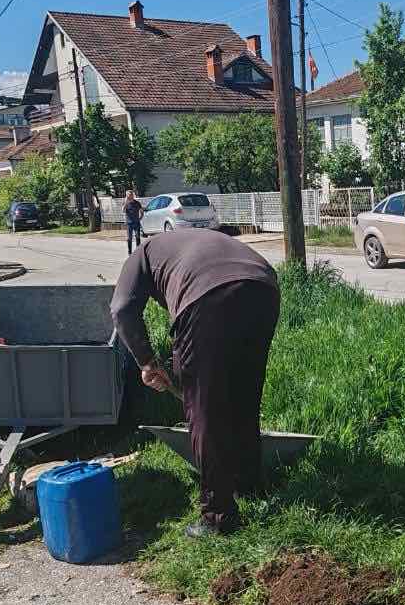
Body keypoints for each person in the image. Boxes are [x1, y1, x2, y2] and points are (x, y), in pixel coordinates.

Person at [111, 230, 280, 538]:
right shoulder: (184, 243)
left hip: (208, 295)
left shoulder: (140, 255)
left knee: (204, 409)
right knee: (244, 397)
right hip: (262, 287)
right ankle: (250, 486)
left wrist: (147, 362)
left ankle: (218, 515)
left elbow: (122, 308)